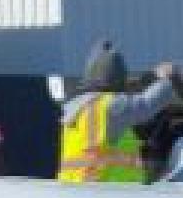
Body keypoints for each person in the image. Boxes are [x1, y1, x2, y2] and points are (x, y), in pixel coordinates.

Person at [57, 41, 176, 183]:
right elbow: (146, 104)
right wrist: (167, 80)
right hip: (106, 193)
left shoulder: (77, 106)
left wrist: (152, 76)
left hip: (73, 189)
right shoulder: (110, 106)